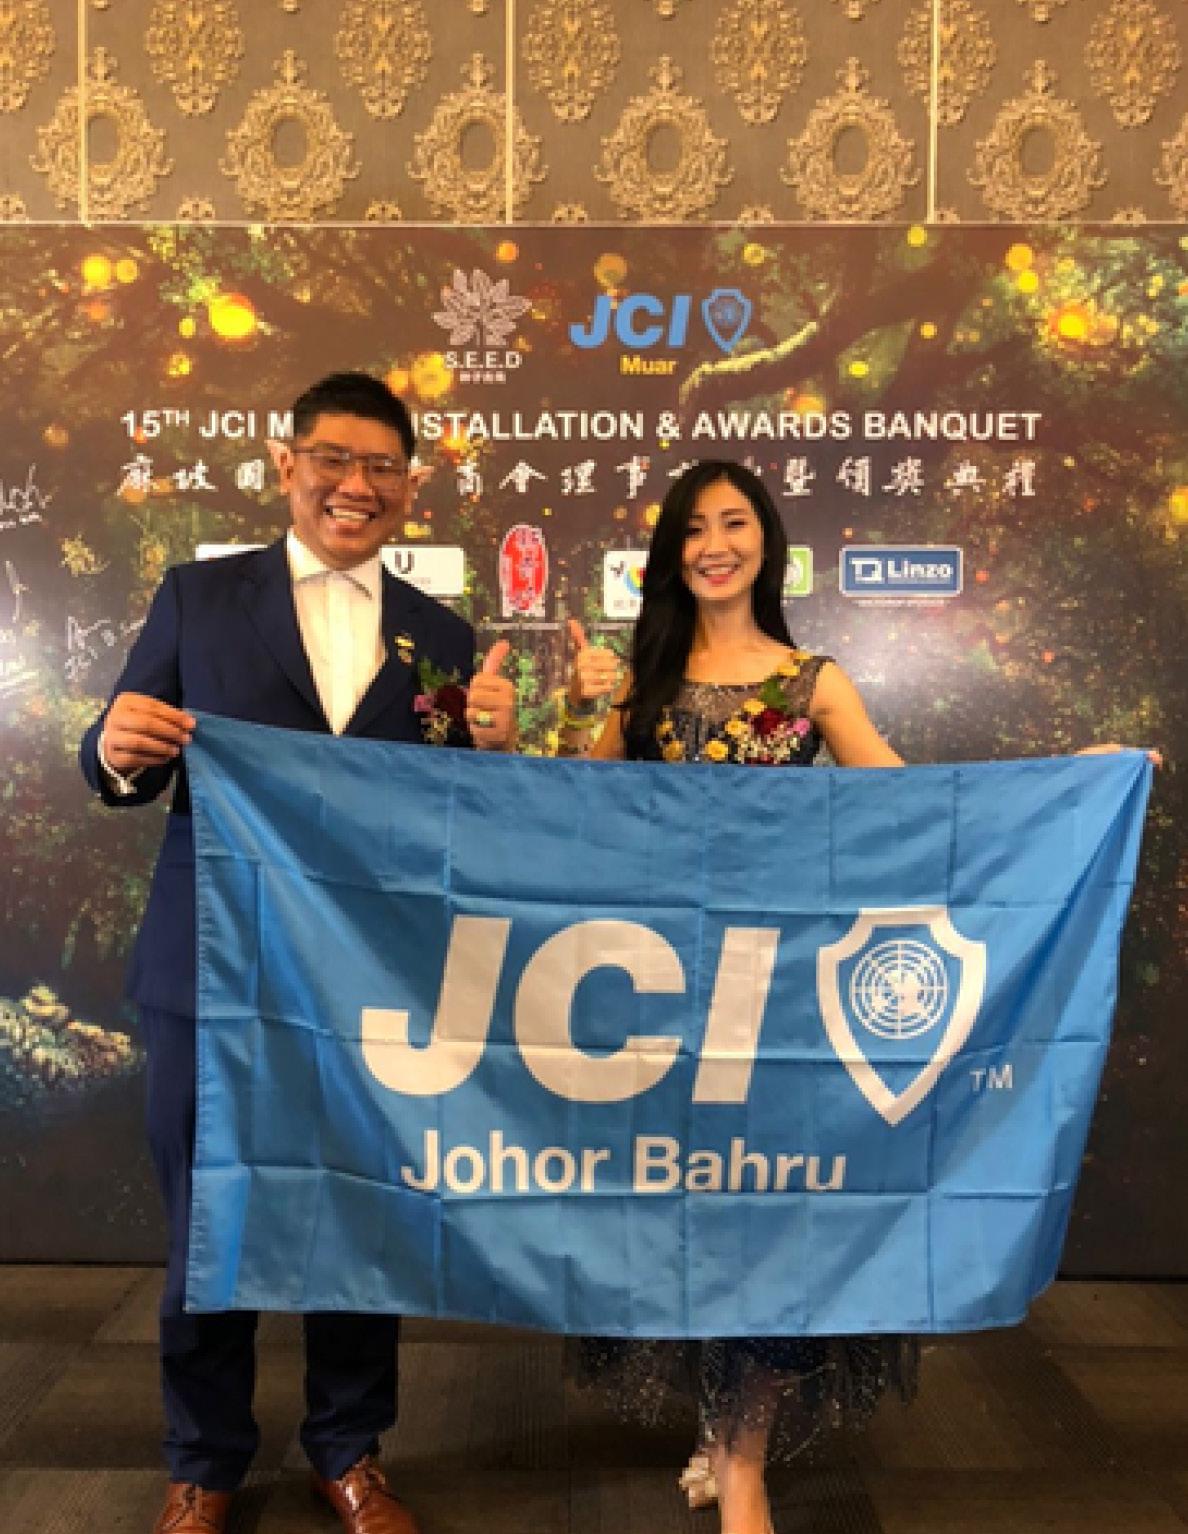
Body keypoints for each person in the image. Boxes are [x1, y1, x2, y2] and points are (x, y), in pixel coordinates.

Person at [556, 458, 1161, 1534]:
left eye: (733, 523)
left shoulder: (812, 682)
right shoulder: (642, 685)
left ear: (766, 543)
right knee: (686, 1218)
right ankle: (716, 1425)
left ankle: (743, 1462)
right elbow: (571, 816)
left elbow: (918, 808)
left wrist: (1072, 783)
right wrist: (575, 711)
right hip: (662, 1008)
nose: (713, 546)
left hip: (779, 1003)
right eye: (692, 528)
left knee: (769, 1223)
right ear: (670, 553)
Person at [80, 371, 515, 1534]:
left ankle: (348, 1449)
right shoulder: (199, 597)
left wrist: (491, 754)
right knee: (207, 1224)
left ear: (410, 485)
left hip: (368, 982)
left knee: (361, 1217)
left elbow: (451, 820)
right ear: (286, 464)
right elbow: (123, 755)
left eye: (382, 467)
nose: (355, 485)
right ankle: (204, 1464)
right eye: (333, 459)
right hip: (209, 965)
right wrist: (113, 746)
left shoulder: (441, 636)